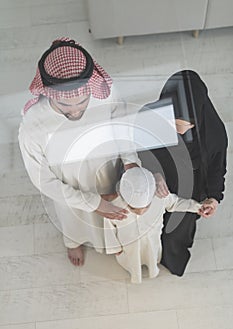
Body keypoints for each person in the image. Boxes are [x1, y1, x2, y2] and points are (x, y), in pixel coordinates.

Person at [18, 37, 141, 266]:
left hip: (108, 172)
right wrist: (93, 203)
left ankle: (110, 240)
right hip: (70, 186)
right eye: (66, 105)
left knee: (114, 211)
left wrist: (130, 161)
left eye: (82, 101)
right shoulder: (32, 126)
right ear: (49, 93)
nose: (76, 110)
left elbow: (122, 122)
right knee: (75, 220)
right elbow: (43, 181)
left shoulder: (105, 92)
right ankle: (73, 242)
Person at [139, 70, 228, 276]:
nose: (174, 128)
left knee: (175, 231)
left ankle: (169, 258)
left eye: (182, 124)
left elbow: (217, 168)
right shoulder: (148, 116)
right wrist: (154, 174)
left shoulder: (215, 135)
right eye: (169, 119)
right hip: (155, 180)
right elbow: (138, 148)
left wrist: (214, 198)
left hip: (191, 186)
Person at [104, 167, 206, 283]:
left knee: (151, 255)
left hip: (152, 240)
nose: (140, 212)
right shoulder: (114, 206)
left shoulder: (160, 198)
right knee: (131, 259)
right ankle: (133, 270)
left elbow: (176, 203)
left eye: (146, 207)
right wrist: (115, 247)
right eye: (133, 208)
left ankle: (151, 266)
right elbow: (108, 227)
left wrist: (198, 207)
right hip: (128, 244)